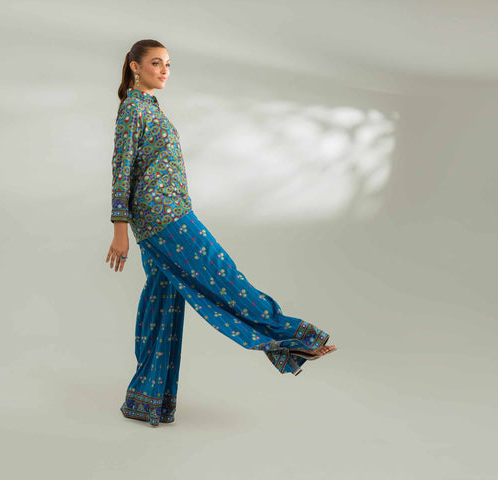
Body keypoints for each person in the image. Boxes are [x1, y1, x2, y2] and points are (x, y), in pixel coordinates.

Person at [106, 39, 336, 427]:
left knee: (161, 304)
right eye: (156, 63)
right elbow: (121, 169)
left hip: (165, 215)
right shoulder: (133, 109)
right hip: (164, 217)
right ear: (134, 66)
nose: (164, 70)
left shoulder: (150, 107)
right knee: (224, 277)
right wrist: (119, 230)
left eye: (168, 64)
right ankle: (293, 337)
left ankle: (146, 401)